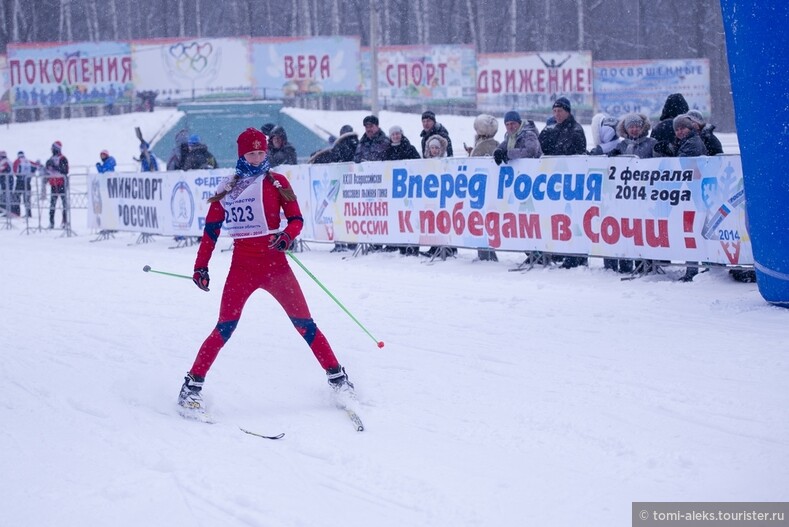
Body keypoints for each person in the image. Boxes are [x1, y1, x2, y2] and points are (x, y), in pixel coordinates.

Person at [177, 128, 355, 417]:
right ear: (241, 154)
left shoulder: (277, 181)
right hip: (242, 268)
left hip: (276, 267)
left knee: (305, 324)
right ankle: (191, 387)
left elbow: (296, 219)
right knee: (224, 328)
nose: (258, 157)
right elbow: (210, 231)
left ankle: (339, 380)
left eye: (262, 152)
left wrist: (287, 235)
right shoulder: (227, 188)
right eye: (252, 153)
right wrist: (201, 265)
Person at [605, 113, 658, 274]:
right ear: (626, 129)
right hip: (624, 196)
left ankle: (644, 263)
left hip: (644, 195)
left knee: (643, 230)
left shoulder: (651, 144)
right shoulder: (621, 146)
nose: (634, 129)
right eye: (631, 127)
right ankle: (625, 263)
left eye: (637, 126)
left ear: (643, 127)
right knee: (625, 229)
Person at [538, 97, 587, 269]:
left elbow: (566, 151)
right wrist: (543, 138)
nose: (557, 114)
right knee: (560, 217)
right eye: (554, 111)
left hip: (572, 179)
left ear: (568, 111)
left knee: (574, 217)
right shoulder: (554, 129)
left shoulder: (575, 129)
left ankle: (577, 255)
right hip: (557, 179)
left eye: (560, 111)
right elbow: (546, 150)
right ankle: (562, 251)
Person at [492, 111, 543, 263]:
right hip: (519, 184)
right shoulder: (509, 136)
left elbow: (531, 151)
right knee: (520, 219)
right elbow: (502, 148)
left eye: (513, 124)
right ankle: (532, 253)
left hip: (533, 181)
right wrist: (498, 152)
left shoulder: (528, 134)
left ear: (519, 123)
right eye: (507, 124)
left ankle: (538, 253)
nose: (510, 127)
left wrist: (508, 154)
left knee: (532, 217)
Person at [670, 113, 708, 282]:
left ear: (690, 127)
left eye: (682, 128)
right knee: (691, 230)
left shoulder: (693, 143)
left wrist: (671, 155)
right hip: (691, 193)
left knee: (693, 230)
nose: (680, 132)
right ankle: (695, 267)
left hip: (695, 193)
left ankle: (695, 269)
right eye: (677, 129)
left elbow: (684, 164)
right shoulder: (685, 142)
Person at [43, 141, 69, 229]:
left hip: (61, 183)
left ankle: (65, 222)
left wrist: (55, 167)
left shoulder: (62, 158)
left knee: (64, 204)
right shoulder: (50, 158)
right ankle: (51, 223)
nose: (51, 150)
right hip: (53, 184)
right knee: (52, 205)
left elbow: (65, 171)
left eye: (53, 148)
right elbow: (48, 171)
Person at [12, 151, 39, 218]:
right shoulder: (28, 161)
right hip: (27, 182)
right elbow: (36, 166)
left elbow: (14, 171)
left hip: (20, 181)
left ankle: (16, 212)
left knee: (17, 197)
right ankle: (28, 213)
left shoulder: (17, 161)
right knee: (27, 198)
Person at [0, 151, 13, 216]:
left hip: (6, 179)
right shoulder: (7, 161)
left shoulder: (5, 162)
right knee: (6, 194)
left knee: (5, 194)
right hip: (7, 179)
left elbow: (3, 169)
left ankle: (6, 210)